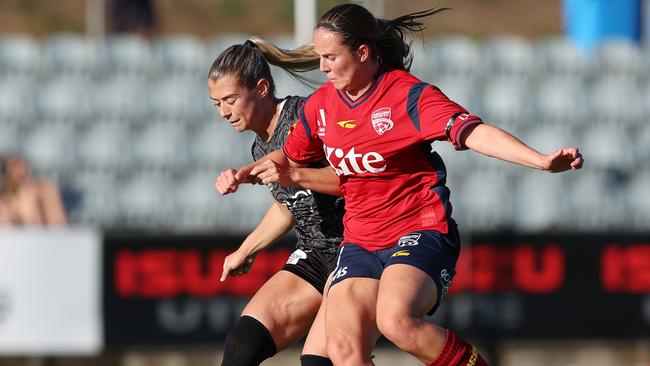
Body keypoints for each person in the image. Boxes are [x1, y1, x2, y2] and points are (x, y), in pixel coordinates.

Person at [231, 4, 584, 366]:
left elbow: (473, 132)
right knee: (341, 351)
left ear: (363, 52)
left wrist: (539, 160)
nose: (322, 67)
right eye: (320, 57)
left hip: (419, 230)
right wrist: (247, 172)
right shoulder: (321, 107)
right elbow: (288, 157)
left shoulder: (407, 95)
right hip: (360, 242)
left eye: (331, 57)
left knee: (396, 321)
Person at [208, 39, 345, 366]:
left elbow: (353, 177)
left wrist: (292, 173)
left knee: (319, 361)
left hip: (355, 248)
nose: (224, 112)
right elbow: (289, 206)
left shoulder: (305, 116)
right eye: (216, 103)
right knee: (240, 346)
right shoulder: (259, 147)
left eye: (230, 100)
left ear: (262, 87)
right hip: (315, 253)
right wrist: (244, 251)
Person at [0, 154, 68, 226]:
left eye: (22, 168)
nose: (21, 172)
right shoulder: (6, 201)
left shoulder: (42, 190)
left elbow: (58, 222)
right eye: (14, 168)